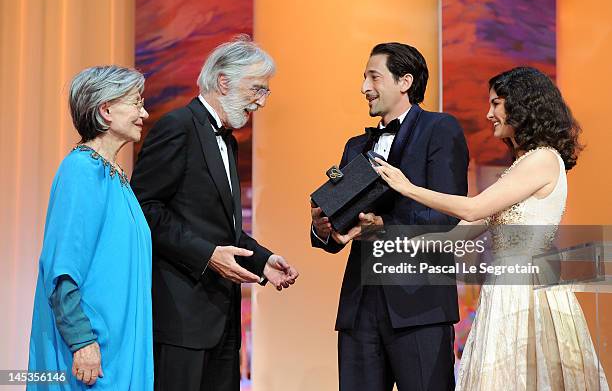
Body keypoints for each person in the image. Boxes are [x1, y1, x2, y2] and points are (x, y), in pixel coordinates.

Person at [376, 66, 609, 390]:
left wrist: (408, 187)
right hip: (506, 288)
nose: (489, 114)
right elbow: (466, 228)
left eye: (496, 103)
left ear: (523, 105)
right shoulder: (523, 165)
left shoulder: (542, 159)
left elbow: (474, 207)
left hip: (527, 291)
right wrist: (391, 238)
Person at [130, 35, 299, 391]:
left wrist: (262, 261)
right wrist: (207, 256)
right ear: (224, 82)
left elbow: (224, 230)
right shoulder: (178, 127)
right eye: (257, 89)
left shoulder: (228, 140)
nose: (262, 101)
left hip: (222, 320)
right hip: (180, 318)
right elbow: (144, 209)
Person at [310, 42, 469, 390]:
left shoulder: (440, 130)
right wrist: (323, 227)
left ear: (405, 81)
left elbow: (449, 213)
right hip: (360, 307)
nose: (364, 87)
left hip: (420, 306)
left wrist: (385, 227)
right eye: (364, 78)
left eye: (373, 77)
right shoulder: (356, 146)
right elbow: (340, 222)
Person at [27, 65, 153, 389]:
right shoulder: (82, 171)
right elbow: (62, 269)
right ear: (106, 109)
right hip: (92, 360)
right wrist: (82, 341)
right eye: (136, 103)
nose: (145, 112)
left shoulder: (116, 179)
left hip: (118, 352)